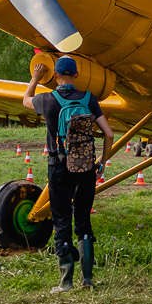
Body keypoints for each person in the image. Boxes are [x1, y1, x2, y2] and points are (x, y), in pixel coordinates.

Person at [24, 56, 115, 291]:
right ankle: (88, 280)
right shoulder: (89, 99)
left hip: (59, 167)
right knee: (83, 220)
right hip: (85, 168)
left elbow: (25, 100)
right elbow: (109, 133)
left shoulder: (48, 100)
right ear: (75, 75)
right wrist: (102, 162)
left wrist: (35, 77)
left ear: (55, 76)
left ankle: (66, 282)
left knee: (62, 220)